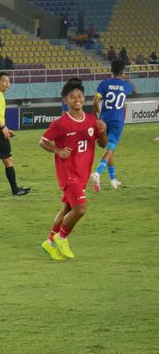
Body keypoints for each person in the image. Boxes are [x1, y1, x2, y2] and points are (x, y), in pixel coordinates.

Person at [39, 79, 107, 260]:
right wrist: (57, 150)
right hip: (68, 172)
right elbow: (43, 141)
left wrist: (103, 130)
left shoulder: (92, 120)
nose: (77, 99)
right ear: (65, 101)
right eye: (72, 97)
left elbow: (103, 144)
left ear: (83, 98)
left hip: (83, 173)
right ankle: (61, 237)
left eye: (79, 96)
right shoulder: (61, 123)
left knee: (67, 208)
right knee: (81, 208)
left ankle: (49, 242)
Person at [90, 60, 135, 191]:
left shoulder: (104, 84)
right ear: (122, 72)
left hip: (104, 120)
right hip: (117, 121)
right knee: (110, 150)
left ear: (111, 70)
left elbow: (96, 99)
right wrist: (126, 78)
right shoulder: (126, 86)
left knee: (110, 150)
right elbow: (134, 89)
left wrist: (96, 109)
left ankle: (113, 180)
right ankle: (97, 172)